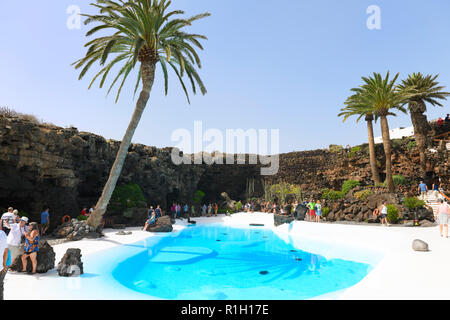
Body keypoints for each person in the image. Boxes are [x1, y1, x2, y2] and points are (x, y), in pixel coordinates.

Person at [0, 221, 8, 300]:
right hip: (1, 266)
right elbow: (6, 250)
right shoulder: (2, 233)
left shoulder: (2, 234)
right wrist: (4, 264)